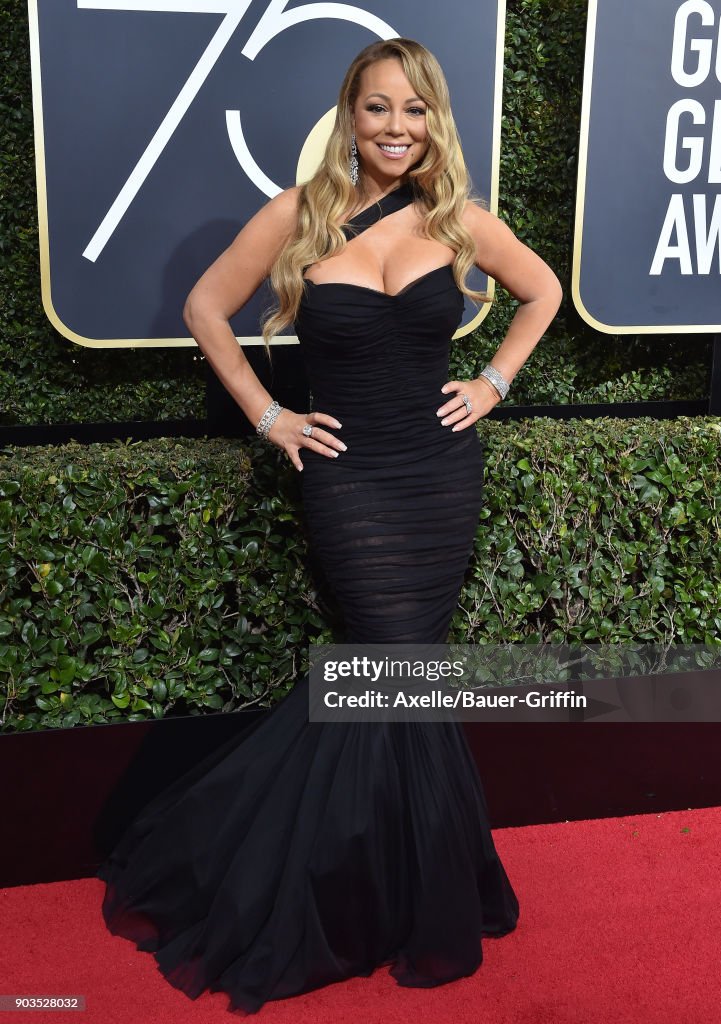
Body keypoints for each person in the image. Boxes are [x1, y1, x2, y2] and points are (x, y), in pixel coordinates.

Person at [97, 37, 562, 1015]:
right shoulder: (297, 216)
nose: (396, 127)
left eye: (414, 110)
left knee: (410, 676)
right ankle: (369, 890)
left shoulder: (460, 221)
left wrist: (491, 380)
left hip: (438, 475)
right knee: (389, 663)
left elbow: (544, 292)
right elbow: (205, 308)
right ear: (349, 118)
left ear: (434, 121)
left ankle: (399, 890)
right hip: (350, 480)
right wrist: (269, 417)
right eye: (377, 108)